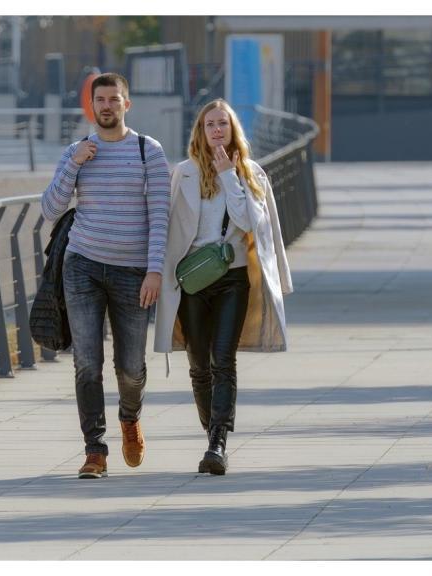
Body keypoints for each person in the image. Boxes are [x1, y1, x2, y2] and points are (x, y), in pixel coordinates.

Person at [41, 72, 171, 479]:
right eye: (101, 100)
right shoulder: (77, 151)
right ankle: (95, 450)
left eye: (115, 99)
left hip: (133, 271)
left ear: (126, 105)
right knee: (86, 362)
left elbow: (160, 217)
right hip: (82, 265)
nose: (108, 106)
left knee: (131, 366)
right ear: (92, 106)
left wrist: (154, 270)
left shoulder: (148, 151)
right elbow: (50, 208)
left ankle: (129, 418)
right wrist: (74, 165)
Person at [154, 99, 293, 475]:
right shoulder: (182, 173)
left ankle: (217, 442)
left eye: (223, 124)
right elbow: (167, 228)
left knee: (223, 360)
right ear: (200, 130)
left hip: (231, 277)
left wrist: (230, 175)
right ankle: (212, 427)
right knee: (199, 364)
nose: (217, 130)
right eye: (210, 124)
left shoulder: (250, 173)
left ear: (233, 130)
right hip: (192, 280)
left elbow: (249, 223)